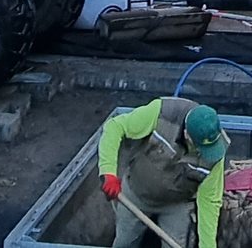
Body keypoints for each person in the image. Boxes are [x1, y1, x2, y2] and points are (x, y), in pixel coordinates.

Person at [97, 97, 227, 248]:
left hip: (176, 205)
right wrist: (108, 173)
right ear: (186, 134)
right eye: (199, 148)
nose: (203, 154)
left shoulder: (216, 152)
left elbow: (210, 201)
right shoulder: (161, 113)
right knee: (124, 243)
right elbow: (115, 126)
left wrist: (208, 246)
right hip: (136, 194)